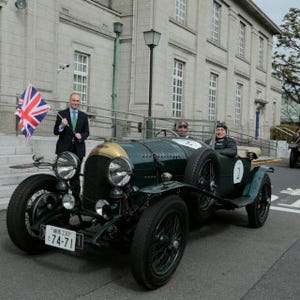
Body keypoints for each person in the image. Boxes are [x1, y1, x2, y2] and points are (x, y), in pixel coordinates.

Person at [53, 92, 90, 195]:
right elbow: (55, 131)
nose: (75, 103)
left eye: (77, 101)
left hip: (78, 151)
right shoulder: (62, 114)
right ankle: (62, 200)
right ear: (70, 101)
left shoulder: (84, 116)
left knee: (75, 178)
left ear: (80, 102)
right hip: (64, 150)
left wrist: (81, 136)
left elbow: (87, 132)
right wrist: (61, 125)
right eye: (73, 100)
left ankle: (75, 202)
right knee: (62, 177)